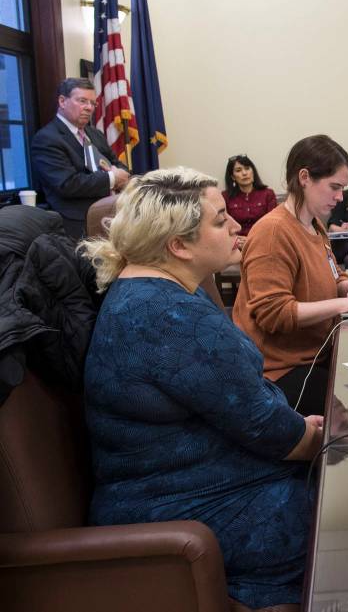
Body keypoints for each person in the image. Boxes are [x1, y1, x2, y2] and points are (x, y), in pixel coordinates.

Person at [80, 167, 324, 610]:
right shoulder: (169, 317)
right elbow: (264, 426)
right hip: (180, 511)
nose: (235, 226)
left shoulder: (156, 290)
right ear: (178, 245)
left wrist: (299, 429)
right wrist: (319, 441)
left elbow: (242, 406)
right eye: (220, 219)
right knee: (344, 511)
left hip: (191, 486)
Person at [233, 135, 348, 414]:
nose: (340, 197)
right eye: (334, 187)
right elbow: (274, 314)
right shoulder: (273, 233)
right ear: (304, 178)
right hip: (280, 371)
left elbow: (335, 277)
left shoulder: (314, 225)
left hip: (315, 354)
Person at [29, 78, 131, 239]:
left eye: (93, 103)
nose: (89, 108)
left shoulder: (95, 134)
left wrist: (121, 174)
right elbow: (67, 184)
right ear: (62, 101)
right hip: (78, 224)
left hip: (113, 214)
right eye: (82, 101)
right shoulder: (47, 139)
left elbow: (117, 164)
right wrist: (112, 177)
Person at [223, 153, 278, 243]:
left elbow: (273, 224)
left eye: (247, 168)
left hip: (263, 241)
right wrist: (236, 240)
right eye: (238, 170)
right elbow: (224, 226)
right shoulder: (225, 197)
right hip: (236, 243)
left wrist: (252, 240)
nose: (244, 173)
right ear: (233, 177)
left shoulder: (268, 194)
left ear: (253, 171)